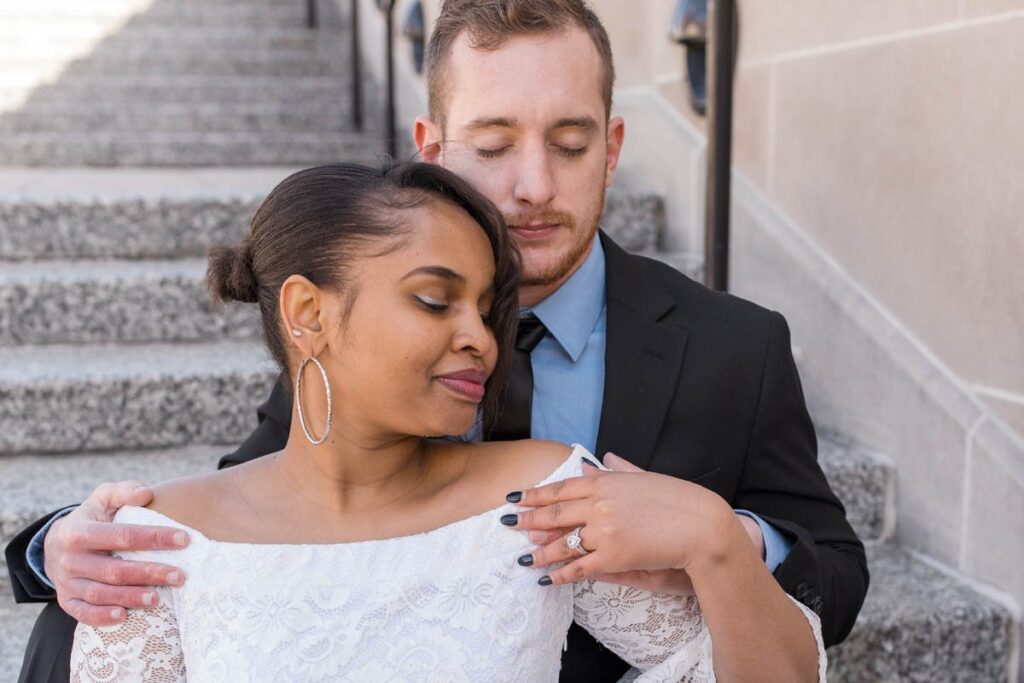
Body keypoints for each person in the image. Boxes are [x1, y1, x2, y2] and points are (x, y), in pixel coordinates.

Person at [6, 1, 867, 681]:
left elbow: (833, 572)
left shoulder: (737, 345)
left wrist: (720, 537)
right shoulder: (351, 336)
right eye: (494, 145)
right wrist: (67, 548)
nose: (534, 186)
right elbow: (263, 518)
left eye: (570, 145)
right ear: (433, 149)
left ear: (611, 151)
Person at [68, 160, 825, 681]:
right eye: (436, 299)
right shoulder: (157, 541)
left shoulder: (541, 498)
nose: (482, 339)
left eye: (485, 306)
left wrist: (716, 537)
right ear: (308, 312)